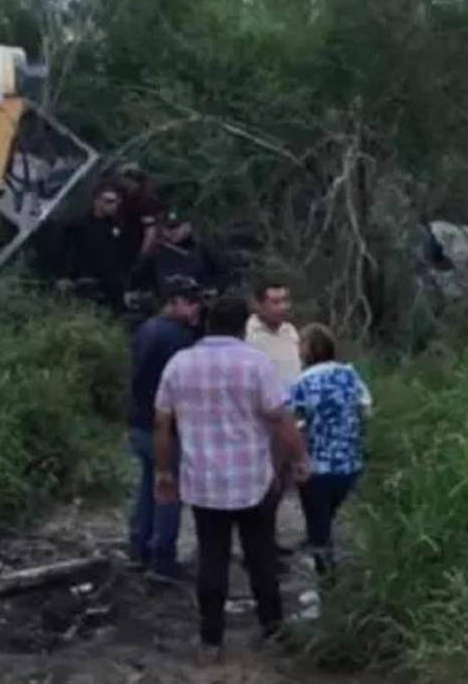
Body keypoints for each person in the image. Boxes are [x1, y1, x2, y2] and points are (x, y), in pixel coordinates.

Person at [153, 295, 309, 662]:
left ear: (206, 324)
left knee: (212, 558)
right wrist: (299, 457)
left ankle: (211, 640)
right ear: (243, 326)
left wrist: (163, 472)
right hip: (253, 479)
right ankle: (272, 629)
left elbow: (161, 422)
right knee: (261, 555)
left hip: (203, 481)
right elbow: (279, 418)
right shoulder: (256, 363)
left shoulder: (180, 363)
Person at [127, 280, 203, 582]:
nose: (197, 310)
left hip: (139, 420)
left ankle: (138, 546)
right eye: (192, 303)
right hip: (165, 426)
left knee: (147, 484)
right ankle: (162, 557)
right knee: (168, 487)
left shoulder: (145, 329)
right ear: (175, 301)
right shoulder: (178, 337)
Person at [286, 324, 371, 575]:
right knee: (328, 518)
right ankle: (329, 574)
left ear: (309, 349)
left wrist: (294, 459)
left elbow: (293, 423)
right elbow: (366, 409)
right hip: (349, 463)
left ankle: (325, 587)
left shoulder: (303, 382)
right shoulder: (350, 375)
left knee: (318, 529)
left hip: (316, 466)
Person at [246, 280, 303, 555]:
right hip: (263, 422)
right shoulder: (249, 334)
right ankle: (257, 545)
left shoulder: (290, 332)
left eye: (285, 301)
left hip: (291, 418)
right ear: (258, 304)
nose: (283, 307)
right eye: (275, 301)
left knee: (282, 483)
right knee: (264, 485)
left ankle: (269, 538)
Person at [58, 184, 133, 311]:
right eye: (109, 201)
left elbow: (123, 254)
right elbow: (64, 249)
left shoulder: (117, 226)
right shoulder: (78, 224)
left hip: (111, 281)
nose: (113, 205)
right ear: (97, 202)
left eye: (116, 202)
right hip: (84, 278)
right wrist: (64, 274)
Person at [130, 211, 230, 300]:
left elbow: (224, 273)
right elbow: (137, 277)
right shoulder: (157, 252)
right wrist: (148, 244)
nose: (171, 232)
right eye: (167, 228)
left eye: (176, 227)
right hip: (167, 306)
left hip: (198, 303)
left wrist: (215, 290)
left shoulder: (204, 248)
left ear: (188, 225)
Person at [116, 162, 163, 262]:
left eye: (122, 178)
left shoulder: (143, 198)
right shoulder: (128, 194)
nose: (120, 181)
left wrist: (142, 255)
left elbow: (150, 230)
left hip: (144, 245)